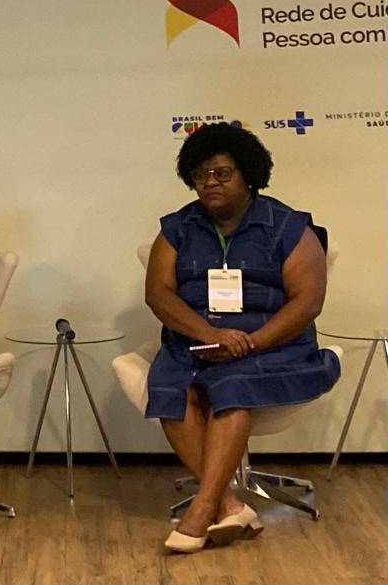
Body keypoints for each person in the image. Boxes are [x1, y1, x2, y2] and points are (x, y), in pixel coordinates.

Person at [144, 123, 340, 553]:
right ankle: (230, 506)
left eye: (221, 173)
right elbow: (158, 293)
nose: (209, 183)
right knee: (166, 387)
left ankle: (201, 510)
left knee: (232, 385)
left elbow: (307, 302)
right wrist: (209, 333)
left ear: (248, 174)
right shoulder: (178, 227)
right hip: (198, 341)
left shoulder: (286, 226)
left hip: (274, 345)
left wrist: (248, 342)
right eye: (200, 176)